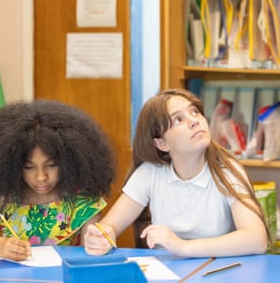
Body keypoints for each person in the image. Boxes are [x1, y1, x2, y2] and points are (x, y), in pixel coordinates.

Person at [83, 88, 268, 257]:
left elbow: (256, 239)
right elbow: (109, 226)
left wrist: (183, 247)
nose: (194, 121)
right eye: (178, 120)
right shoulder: (149, 173)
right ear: (162, 144)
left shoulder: (228, 171)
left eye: (194, 112)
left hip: (218, 271)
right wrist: (101, 236)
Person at [0, 100, 117, 261]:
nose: (41, 177)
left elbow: (93, 249)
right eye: (29, 167)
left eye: (51, 165)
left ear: (69, 161)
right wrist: (1, 245)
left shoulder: (83, 201)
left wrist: (99, 242)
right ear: (13, 164)